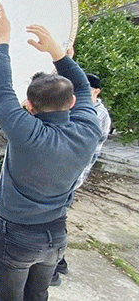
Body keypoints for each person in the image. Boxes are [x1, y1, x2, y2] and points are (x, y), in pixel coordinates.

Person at [0, 5, 101, 301]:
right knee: (37, 297)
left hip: (16, 237)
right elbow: (84, 89)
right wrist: (59, 56)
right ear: (72, 102)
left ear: (30, 107)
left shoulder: (28, 133)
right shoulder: (89, 130)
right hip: (55, 236)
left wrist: (2, 39)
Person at [51, 72, 112, 285]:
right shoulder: (81, 110)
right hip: (64, 174)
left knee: (53, 221)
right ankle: (59, 263)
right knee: (55, 219)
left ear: (96, 91)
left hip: (70, 176)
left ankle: (53, 269)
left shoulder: (98, 116)